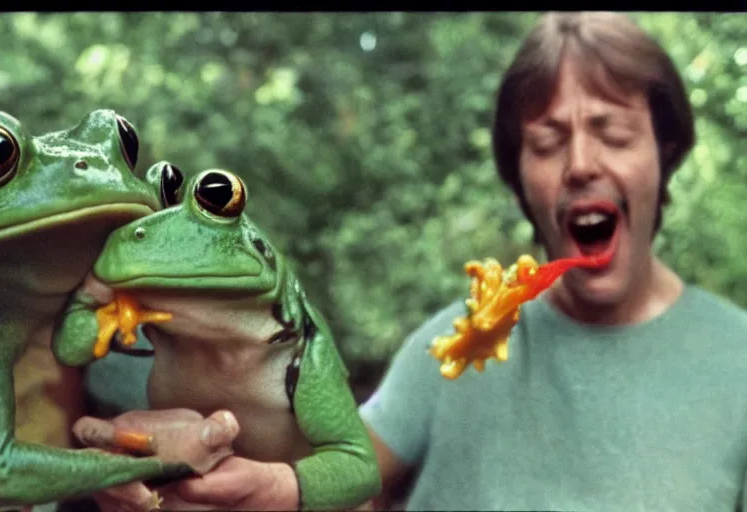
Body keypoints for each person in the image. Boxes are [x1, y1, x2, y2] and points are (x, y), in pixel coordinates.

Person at [90, 11, 747, 511]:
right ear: (521, 178)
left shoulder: (736, 359)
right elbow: (332, 480)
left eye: (613, 132)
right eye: (547, 142)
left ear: (665, 156)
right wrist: (248, 481)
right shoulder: (446, 351)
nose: (579, 164)